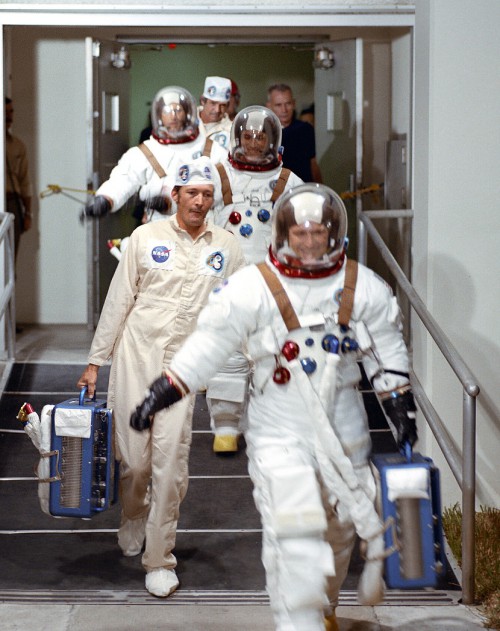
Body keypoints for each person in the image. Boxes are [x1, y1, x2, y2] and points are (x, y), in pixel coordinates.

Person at [129, 183, 418, 630]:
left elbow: (390, 349)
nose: (307, 241)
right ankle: (296, 620)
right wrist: (166, 388)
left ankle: (324, 607)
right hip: (279, 427)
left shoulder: (362, 287)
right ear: (283, 235)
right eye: (298, 234)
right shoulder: (253, 286)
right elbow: (209, 345)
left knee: (338, 531)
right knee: (295, 527)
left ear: (332, 234)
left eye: (316, 232)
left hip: (344, 427)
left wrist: (399, 405)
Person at [77, 157, 246, 599]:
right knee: (135, 462)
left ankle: (159, 559)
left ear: (213, 201)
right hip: (136, 357)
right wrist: (96, 361)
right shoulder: (144, 237)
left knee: (171, 465)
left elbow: (243, 310)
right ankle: (134, 512)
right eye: (192, 193)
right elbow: (118, 300)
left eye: (207, 195)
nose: (199, 202)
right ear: (175, 196)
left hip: (182, 371)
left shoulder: (227, 247)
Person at [207, 105, 303, 453]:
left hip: (271, 285)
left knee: (269, 358)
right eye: (247, 136)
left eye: (260, 136)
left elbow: (304, 228)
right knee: (228, 360)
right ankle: (226, 427)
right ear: (237, 138)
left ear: (272, 141)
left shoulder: (288, 181)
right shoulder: (218, 175)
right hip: (226, 283)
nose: (252, 142)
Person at [83, 85, 227, 222]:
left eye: (178, 110)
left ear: (187, 113)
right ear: (159, 115)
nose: (174, 116)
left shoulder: (211, 150)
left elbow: (224, 191)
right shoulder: (146, 152)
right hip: (159, 231)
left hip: (203, 229)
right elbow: (123, 179)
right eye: (167, 111)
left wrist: (170, 202)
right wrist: (106, 199)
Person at [266, 84, 322, 184]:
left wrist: (321, 190)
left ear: (294, 104)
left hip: (303, 191)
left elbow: (313, 163)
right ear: (269, 106)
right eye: (278, 105)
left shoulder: (305, 129)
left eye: (288, 104)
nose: (284, 110)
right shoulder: (262, 134)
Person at [4, 97, 33, 261]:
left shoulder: (17, 145)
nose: (9, 116)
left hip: (12, 203)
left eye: (11, 111)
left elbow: (25, 182)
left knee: (10, 258)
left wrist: (28, 213)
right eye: (5, 112)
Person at [197, 76, 233, 150]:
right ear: (202, 101)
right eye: (213, 103)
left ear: (228, 106)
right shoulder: (186, 121)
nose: (217, 110)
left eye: (223, 105)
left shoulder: (231, 130)